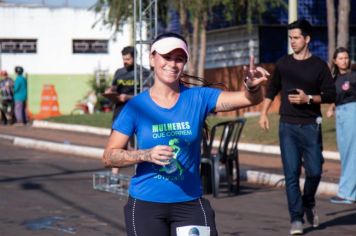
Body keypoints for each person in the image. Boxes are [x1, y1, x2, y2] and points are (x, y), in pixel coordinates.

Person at [102, 32, 269, 236]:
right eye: (166, 56)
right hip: (146, 205)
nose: (172, 64)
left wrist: (252, 87)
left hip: (189, 204)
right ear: (152, 58)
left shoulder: (198, 98)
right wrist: (145, 155)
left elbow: (249, 99)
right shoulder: (135, 107)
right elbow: (109, 157)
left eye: (179, 59)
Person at [258, 19, 336, 235]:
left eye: (296, 38)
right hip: (287, 127)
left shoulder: (319, 66)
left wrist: (308, 99)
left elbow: (331, 94)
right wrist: (264, 113)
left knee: (315, 171)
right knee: (291, 174)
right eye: (290, 38)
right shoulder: (283, 64)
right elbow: (272, 89)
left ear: (307, 39)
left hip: (311, 126)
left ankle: (308, 202)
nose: (292, 41)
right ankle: (296, 218)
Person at [326, 47, 356, 204]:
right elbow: (334, 96)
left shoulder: (354, 76)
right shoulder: (334, 79)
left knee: (352, 153)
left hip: (352, 113)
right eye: (341, 58)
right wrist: (331, 107)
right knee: (345, 153)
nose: (344, 60)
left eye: (346, 58)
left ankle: (347, 194)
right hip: (340, 114)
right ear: (335, 61)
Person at [106, 46, 152, 121]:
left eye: (128, 59)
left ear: (135, 58)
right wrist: (110, 92)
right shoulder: (119, 72)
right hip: (119, 111)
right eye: (123, 59)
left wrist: (128, 97)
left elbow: (148, 96)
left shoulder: (143, 73)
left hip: (137, 110)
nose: (125, 62)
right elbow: (114, 88)